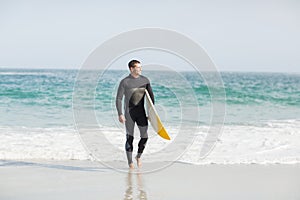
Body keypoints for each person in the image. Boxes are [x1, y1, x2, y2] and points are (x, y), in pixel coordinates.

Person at [116, 60, 154, 169]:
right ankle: (130, 163)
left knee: (145, 137)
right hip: (129, 114)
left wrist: (151, 113)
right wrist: (120, 114)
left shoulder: (145, 80)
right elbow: (119, 98)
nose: (140, 69)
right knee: (130, 138)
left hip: (141, 113)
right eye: (138, 67)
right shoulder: (125, 82)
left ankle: (138, 156)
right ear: (131, 69)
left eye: (140, 67)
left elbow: (151, 98)